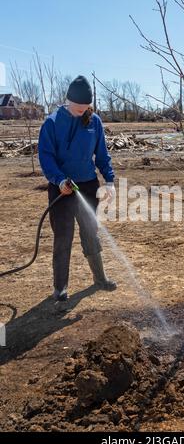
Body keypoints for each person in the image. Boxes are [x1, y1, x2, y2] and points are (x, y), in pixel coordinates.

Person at [38, 75, 117, 302]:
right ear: (68, 100)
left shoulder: (95, 122)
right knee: (63, 237)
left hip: (87, 185)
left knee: (90, 233)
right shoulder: (52, 123)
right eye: (78, 107)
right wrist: (60, 180)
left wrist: (109, 180)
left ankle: (100, 278)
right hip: (61, 188)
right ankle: (60, 287)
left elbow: (102, 154)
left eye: (86, 107)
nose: (82, 111)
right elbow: (46, 156)